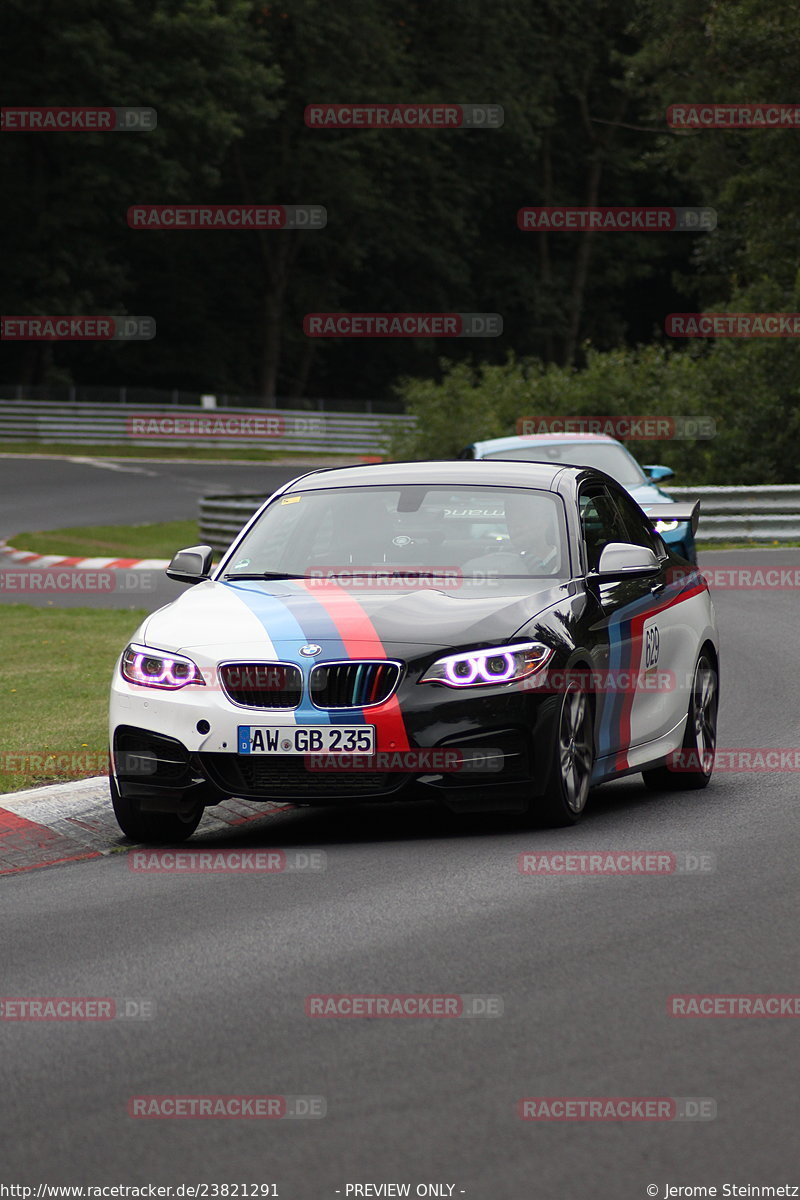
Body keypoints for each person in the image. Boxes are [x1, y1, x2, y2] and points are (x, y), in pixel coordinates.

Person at [460, 492, 560, 576]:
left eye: (523, 518)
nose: (514, 526)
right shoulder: (479, 567)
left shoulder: (566, 566)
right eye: (510, 519)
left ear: (545, 521)